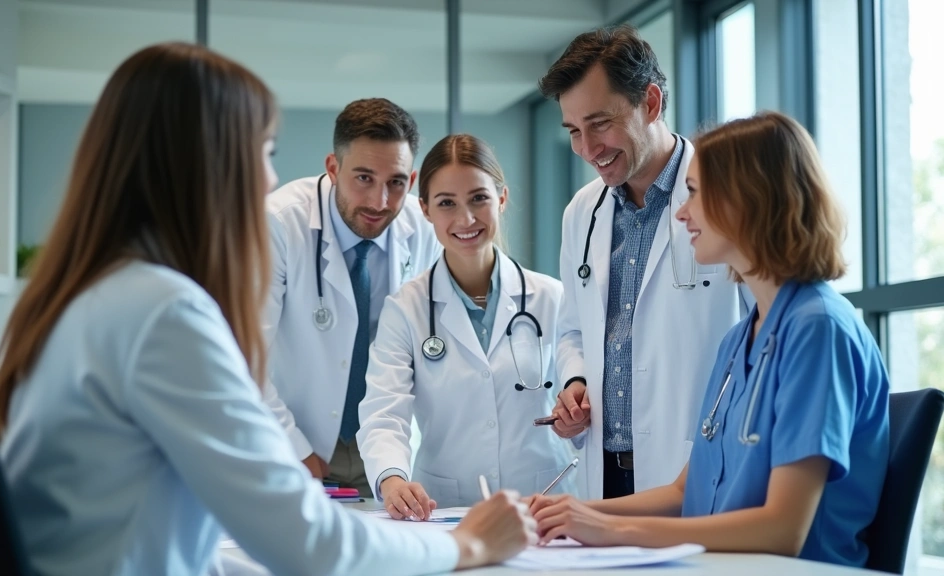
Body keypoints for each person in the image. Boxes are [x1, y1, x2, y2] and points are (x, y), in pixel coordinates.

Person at [0, 42, 536, 576]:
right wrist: (466, 546)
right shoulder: (164, 315)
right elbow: (308, 543)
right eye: (265, 152)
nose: (271, 179)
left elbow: (172, 526)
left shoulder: (94, 296)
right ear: (207, 161)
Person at [528, 111, 889, 568]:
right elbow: (685, 490)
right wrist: (568, 512)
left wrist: (610, 530)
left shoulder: (818, 329)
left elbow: (783, 530)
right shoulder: (741, 339)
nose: (680, 211)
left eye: (694, 194)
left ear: (748, 200)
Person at [538, 25, 744, 499]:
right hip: (604, 472)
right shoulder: (581, 213)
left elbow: (764, 324)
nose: (587, 150)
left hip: (695, 463)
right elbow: (572, 328)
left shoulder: (727, 194)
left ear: (650, 103)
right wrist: (573, 382)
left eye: (600, 124)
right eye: (573, 131)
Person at [357, 134, 576, 517]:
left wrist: (577, 416)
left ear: (502, 199)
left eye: (479, 198)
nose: (466, 219)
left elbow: (584, 395)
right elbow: (383, 411)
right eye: (446, 203)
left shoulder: (552, 298)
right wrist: (392, 478)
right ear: (425, 209)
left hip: (544, 502)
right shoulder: (406, 309)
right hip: (447, 509)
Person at [261, 98, 440, 496]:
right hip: (290, 440)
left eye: (395, 182)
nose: (379, 202)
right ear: (333, 168)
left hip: (386, 450)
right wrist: (296, 450)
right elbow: (245, 356)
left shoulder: (424, 229)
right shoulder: (277, 223)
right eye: (363, 178)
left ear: (411, 181)